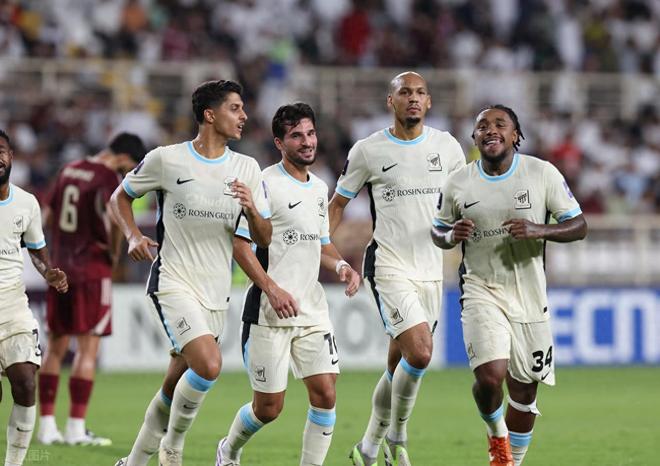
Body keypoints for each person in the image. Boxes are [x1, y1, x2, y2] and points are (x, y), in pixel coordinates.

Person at [110, 79, 272, 466]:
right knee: (209, 365)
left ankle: (132, 463)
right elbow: (120, 196)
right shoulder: (167, 159)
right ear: (209, 115)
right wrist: (132, 236)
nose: (244, 115)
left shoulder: (247, 168)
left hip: (215, 292)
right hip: (173, 281)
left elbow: (264, 237)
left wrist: (252, 209)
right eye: (235, 108)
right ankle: (173, 448)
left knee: (174, 384)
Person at [431, 105, 587, 466]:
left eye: (500, 124)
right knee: (490, 378)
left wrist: (539, 229)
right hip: (480, 289)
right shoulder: (458, 182)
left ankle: (509, 462)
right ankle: (496, 435)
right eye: (482, 126)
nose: (490, 130)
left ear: (515, 135)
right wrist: (450, 235)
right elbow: (437, 230)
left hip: (529, 296)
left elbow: (579, 225)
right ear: (474, 138)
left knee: (524, 392)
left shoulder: (541, 173)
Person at [329, 71, 467, 466]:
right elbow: (337, 205)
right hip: (388, 265)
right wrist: (318, 250)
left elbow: (464, 202)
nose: (413, 98)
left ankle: (367, 448)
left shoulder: (447, 147)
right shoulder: (368, 150)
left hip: (431, 269)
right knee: (420, 353)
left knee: (398, 366)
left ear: (429, 102)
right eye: (405, 92)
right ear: (391, 101)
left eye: (420, 92)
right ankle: (398, 438)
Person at [215, 103, 361, 466]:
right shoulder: (265, 184)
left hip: (311, 310)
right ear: (279, 143)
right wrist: (272, 288)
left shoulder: (320, 187)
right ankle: (228, 450)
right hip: (269, 312)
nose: (307, 142)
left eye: (310, 133)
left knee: (326, 393)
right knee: (269, 408)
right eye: (297, 136)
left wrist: (341, 264)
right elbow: (240, 245)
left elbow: (320, 242)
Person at [37, 132, 146, 447]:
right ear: (125, 158)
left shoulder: (69, 169)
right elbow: (114, 218)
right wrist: (114, 253)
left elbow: (45, 217)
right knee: (88, 348)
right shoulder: (108, 178)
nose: (128, 172)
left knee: (55, 347)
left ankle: (47, 427)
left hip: (60, 268)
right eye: (130, 166)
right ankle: (75, 429)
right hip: (92, 269)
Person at [0, 129, 68, 466]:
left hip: (13, 305)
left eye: (0, 150)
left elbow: (38, 251)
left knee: (26, 383)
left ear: (11, 156)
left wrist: (48, 273)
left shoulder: (26, 202)